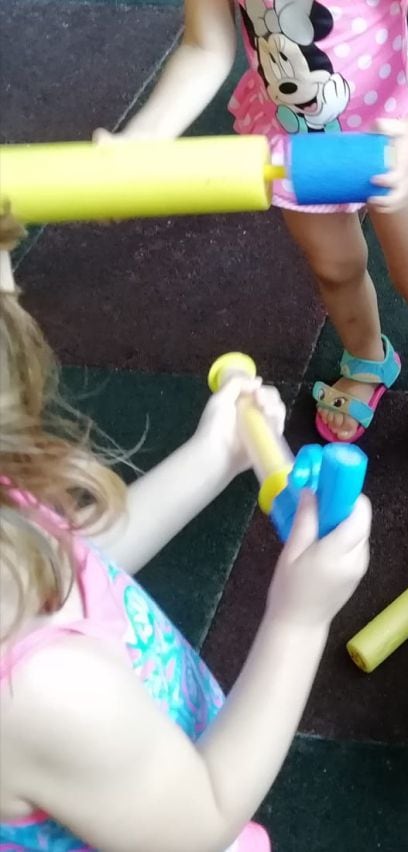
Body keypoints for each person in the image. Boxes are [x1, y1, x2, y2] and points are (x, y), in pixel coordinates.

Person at [0, 206, 372, 850]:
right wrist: (299, 619)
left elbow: (71, 565)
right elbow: (198, 823)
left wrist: (214, 456)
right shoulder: (46, 693)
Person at [101, 0, 408, 484]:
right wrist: (148, 136)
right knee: (335, 268)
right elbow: (206, 47)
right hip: (296, 142)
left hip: (394, 134)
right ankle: (369, 357)